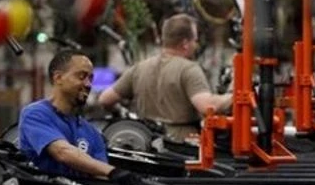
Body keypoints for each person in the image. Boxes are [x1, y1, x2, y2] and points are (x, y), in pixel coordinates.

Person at [97, 13, 233, 142]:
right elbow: (207, 105)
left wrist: (122, 113)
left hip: (148, 143)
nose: (196, 45)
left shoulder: (139, 68)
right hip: (181, 146)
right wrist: (235, 96)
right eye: (195, 40)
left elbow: (105, 99)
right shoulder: (188, 69)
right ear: (185, 43)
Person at [18, 49, 140, 185]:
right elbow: (62, 152)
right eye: (81, 77)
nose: (88, 84)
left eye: (90, 78)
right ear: (58, 78)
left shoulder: (92, 133)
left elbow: (100, 175)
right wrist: (112, 171)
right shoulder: (35, 114)